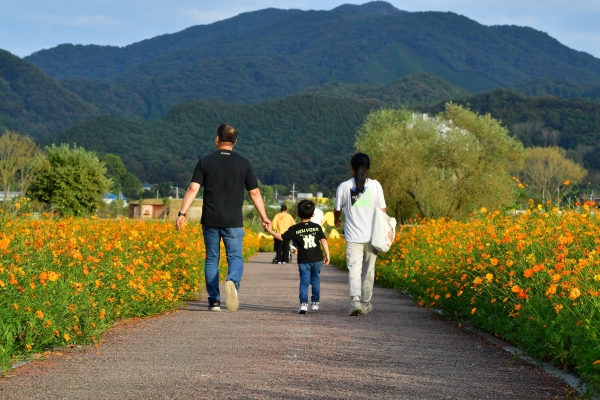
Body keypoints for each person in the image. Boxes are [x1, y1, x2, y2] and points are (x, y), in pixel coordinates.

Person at [176, 124, 270, 312]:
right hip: (233, 221)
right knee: (235, 256)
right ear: (235, 141)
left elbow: (193, 189)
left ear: (217, 139)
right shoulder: (244, 163)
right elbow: (255, 192)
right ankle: (232, 282)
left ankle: (214, 301)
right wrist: (264, 216)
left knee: (212, 258)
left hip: (210, 220)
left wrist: (182, 213)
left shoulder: (205, 162)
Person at [334, 153, 386, 316]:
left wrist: (337, 220)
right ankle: (366, 303)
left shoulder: (343, 186)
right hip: (373, 236)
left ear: (351, 167)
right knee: (369, 270)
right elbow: (382, 210)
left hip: (353, 236)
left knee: (354, 269)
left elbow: (337, 209)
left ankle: (355, 301)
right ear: (368, 168)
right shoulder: (376, 186)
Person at [265, 200, 330, 314]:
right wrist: (327, 254)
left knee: (304, 282)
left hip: (304, 260)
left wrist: (269, 231)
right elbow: (323, 240)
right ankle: (315, 303)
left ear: (297, 213)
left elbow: (282, 237)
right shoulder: (317, 227)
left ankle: (304, 304)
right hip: (317, 259)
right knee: (315, 280)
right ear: (313, 214)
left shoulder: (295, 228)